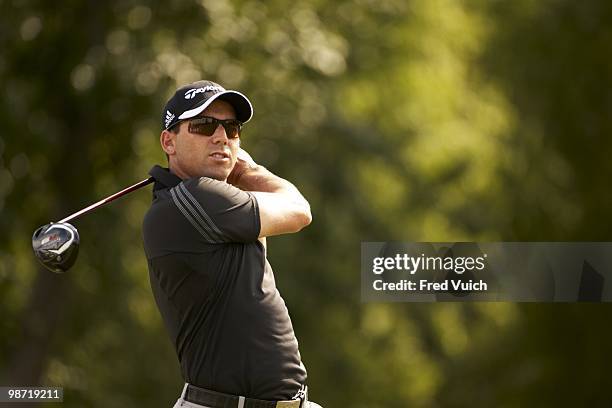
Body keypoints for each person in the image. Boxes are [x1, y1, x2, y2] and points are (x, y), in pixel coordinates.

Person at [142, 80, 322, 408]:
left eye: (231, 128)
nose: (221, 136)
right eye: (204, 125)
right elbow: (299, 210)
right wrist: (247, 169)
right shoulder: (195, 199)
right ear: (168, 142)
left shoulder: (201, 202)